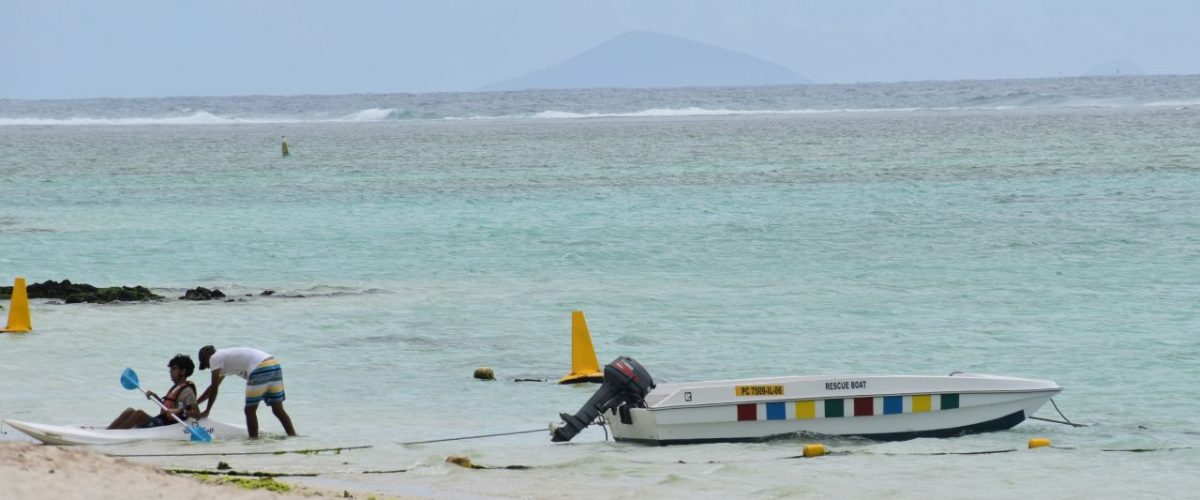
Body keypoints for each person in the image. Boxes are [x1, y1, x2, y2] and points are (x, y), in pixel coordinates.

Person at [196, 345, 296, 438]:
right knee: (278, 409)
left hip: (260, 368)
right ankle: (293, 437)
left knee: (249, 410)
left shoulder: (214, 357)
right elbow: (213, 387)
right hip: (273, 364)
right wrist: (196, 403)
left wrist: (207, 410)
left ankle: (253, 442)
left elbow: (214, 387)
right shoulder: (225, 358)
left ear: (207, 355)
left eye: (205, 364)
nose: (208, 367)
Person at [108, 354, 200, 429]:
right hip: (161, 420)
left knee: (139, 414)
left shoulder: (188, 391)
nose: (170, 372)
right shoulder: (176, 387)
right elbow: (167, 409)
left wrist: (180, 411)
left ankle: (119, 434)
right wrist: (155, 397)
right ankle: (108, 431)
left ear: (183, 371)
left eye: (174, 369)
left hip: (168, 425)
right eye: (170, 369)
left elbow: (197, 414)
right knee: (129, 411)